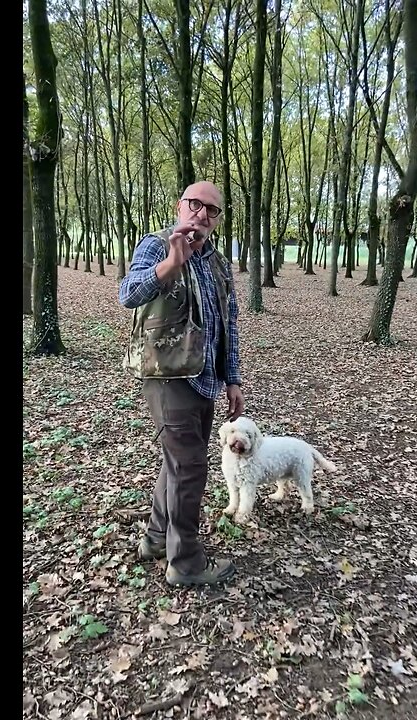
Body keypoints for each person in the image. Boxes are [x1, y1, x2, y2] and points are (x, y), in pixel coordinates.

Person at [118, 181, 244, 586]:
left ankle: (156, 539)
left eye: (212, 210)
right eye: (195, 204)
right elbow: (128, 293)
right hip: (166, 374)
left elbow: (229, 324)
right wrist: (170, 265)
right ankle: (185, 562)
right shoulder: (156, 245)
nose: (202, 215)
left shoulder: (218, 263)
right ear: (180, 206)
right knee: (190, 467)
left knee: (178, 465)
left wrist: (233, 378)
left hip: (205, 378)